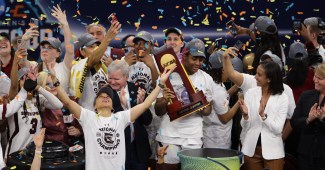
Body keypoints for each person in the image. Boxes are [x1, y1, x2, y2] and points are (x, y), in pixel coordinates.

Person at [53, 53, 174, 170]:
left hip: (134, 153)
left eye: (116, 79)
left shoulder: (126, 109)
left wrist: (160, 84)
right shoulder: (90, 114)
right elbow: (68, 102)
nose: (105, 97)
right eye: (101, 96)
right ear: (95, 105)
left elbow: (146, 109)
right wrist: (55, 81)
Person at [154, 38, 213, 170]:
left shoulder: (206, 78)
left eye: (201, 59)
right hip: (169, 135)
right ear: (184, 55)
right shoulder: (166, 76)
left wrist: (200, 104)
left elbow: (208, 111)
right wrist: (164, 100)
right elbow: (158, 111)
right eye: (194, 58)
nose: (198, 63)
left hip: (193, 136)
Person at [222, 47, 296, 141]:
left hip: (272, 147)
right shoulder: (252, 81)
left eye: (268, 65)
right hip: (249, 144)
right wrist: (225, 58)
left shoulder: (286, 91)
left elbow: (291, 118)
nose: (257, 76)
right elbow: (231, 74)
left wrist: (282, 138)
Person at [239, 61, 288, 170]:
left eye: (259, 75)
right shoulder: (250, 93)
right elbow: (245, 127)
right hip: (251, 150)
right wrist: (245, 116)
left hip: (273, 152)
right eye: (256, 73)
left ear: (269, 79)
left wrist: (263, 115)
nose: (255, 77)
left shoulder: (282, 98)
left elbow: (278, 129)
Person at [5, 65, 63, 156]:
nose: (27, 82)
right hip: (15, 151)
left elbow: (58, 105)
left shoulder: (38, 99)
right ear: (18, 82)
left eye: (30, 79)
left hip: (34, 152)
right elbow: (13, 86)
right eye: (24, 79)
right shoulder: (14, 100)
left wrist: (38, 88)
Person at [107, 60, 152, 170]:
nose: (112, 82)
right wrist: (122, 107)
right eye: (110, 78)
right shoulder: (104, 94)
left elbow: (147, 121)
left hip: (138, 149)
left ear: (126, 77)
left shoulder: (137, 89)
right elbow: (106, 121)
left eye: (116, 79)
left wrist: (141, 105)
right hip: (117, 150)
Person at [70, 22, 121, 111]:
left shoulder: (102, 67)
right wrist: (108, 38)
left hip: (107, 115)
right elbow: (92, 60)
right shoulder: (78, 65)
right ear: (82, 51)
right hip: (89, 116)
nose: (96, 49)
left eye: (97, 46)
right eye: (91, 47)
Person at [290, 63, 325, 170]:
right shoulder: (306, 96)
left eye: (320, 78)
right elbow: (294, 122)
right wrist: (308, 119)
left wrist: (323, 118)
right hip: (305, 154)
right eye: (315, 76)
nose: (315, 80)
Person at [203, 50, 240, 149]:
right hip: (218, 143)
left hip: (211, 138)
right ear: (223, 69)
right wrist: (239, 101)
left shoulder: (214, 83)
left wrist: (237, 85)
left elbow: (224, 96)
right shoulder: (218, 90)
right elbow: (225, 118)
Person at [37, 70, 83, 146]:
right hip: (52, 149)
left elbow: (84, 122)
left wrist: (78, 131)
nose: (52, 86)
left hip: (73, 147)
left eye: (53, 83)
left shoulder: (71, 101)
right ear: (41, 87)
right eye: (48, 84)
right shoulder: (40, 106)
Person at [38, 5, 74, 93]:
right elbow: (22, 61)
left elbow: (70, 50)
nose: (45, 50)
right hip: (40, 106)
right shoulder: (35, 67)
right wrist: (24, 40)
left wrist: (65, 24)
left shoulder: (63, 67)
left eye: (50, 48)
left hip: (62, 105)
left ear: (58, 54)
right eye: (43, 47)